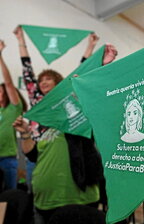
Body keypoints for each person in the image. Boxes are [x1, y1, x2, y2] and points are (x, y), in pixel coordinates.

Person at [13, 26, 117, 223]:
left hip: (77, 190)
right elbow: (27, 71)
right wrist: (20, 40)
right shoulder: (37, 104)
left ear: (58, 83)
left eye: (48, 79)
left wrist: (93, 53)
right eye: (40, 80)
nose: (43, 83)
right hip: (41, 184)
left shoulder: (71, 103)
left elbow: (81, 74)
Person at [0, 40, 27, 190]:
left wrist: (0, 57)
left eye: (1, 92)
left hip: (7, 160)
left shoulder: (13, 109)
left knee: (9, 197)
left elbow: (9, 83)